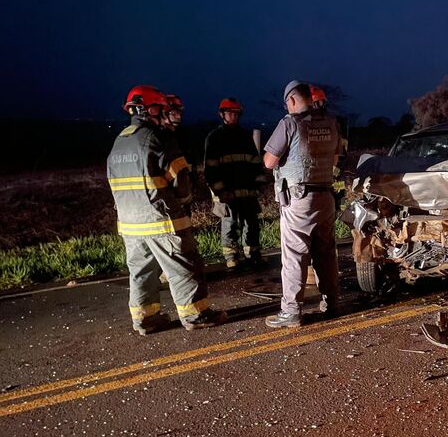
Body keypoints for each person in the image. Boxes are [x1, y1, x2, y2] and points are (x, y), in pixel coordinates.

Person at [107, 85, 227, 335]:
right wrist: (182, 202)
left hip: (130, 224)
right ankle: (195, 314)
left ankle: (145, 320)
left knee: (141, 273)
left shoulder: (120, 141)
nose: (164, 114)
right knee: (183, 266)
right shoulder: (158, 138)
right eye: (160, 109)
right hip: (161, 220)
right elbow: (181, 182)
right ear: (149, 109)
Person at [263, 81, 342, 328]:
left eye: (287, 103)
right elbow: (336, 156)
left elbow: (268, 161)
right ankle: (332, 304)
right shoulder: (332, 123)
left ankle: (291, 312)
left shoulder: (289, 123)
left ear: (293, 100)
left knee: (295, 256)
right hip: (326, 197)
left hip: (299, 200)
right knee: (326, 253)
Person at [203, 97, 263, 268]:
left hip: (247, 189)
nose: (233, 117)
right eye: (230, 113)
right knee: (229, 223)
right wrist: (220, 191)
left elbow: (254, 161)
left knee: (251, 223)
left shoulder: (245, 136)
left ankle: (253, 253)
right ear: (222, 114)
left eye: (236, 113)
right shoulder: (214, 138)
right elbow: (211, 169)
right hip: (227, 190)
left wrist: (259, 182)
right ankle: (231, 256)